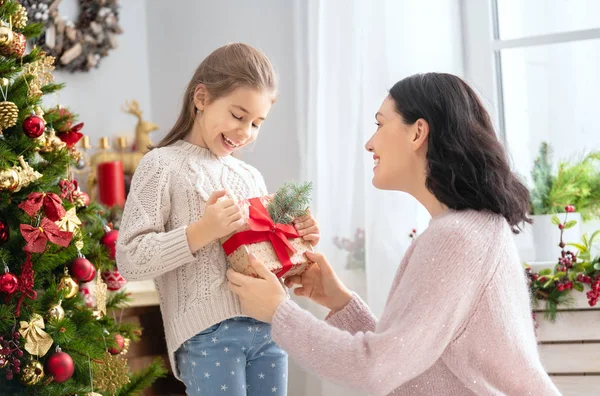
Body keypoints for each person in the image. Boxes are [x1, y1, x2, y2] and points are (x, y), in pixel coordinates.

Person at [227, 73, 562, 395]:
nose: (369, 143)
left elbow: (374, 371)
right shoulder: (473, 229)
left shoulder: (456, 238)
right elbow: (410, 366)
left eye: (380, 123)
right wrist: (340, 304)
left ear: (417, 133)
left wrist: (278, 313)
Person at [116, 43, 319, 396]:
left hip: (269, 329)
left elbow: (265, 259)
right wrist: (201, 232)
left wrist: (296, 238)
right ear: (201, 98)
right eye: (238, 116)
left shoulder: (250, 175)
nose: (246, 133)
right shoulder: (160, 165)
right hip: (207, 335)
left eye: (257, 123)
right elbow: (130, 260)